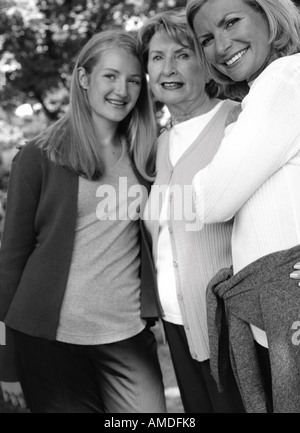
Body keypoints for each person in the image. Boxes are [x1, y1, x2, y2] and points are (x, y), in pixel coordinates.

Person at [0, 29, 167, 413]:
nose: (121, 90)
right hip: (51, 341)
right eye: (110, 75)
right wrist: (5, 362)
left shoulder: (149, 155)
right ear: (84, 78)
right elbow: (10, 266)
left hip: (126, 336)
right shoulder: (38, 157)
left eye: (133, 80)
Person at [187, 0, 300, 412]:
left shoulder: (284, 78)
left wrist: (225, 146)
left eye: (231, 21)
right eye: (206, 39)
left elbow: (211, 200)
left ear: (269, 15)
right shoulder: (269, 88)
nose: (220, 45)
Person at [137, 9, 245, 413]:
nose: (169, 67)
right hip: (175, 323)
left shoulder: (237, 121)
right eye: (157, 57)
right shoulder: (159, 144)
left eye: (183, 54)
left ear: (204, 61)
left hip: (233, 327)